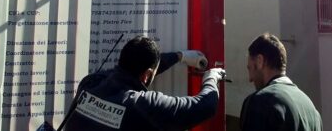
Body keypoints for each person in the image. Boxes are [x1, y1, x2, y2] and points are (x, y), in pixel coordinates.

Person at [64, 35, 225, 131]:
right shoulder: (141, 106)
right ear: (147, 75)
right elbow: (205, 106)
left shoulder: (90, 82)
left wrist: (180, 56)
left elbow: (133, 69)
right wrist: (211, 77)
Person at [240, 33, 322, 131]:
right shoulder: (312, 111)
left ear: (259, 61)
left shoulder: (260, 102)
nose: (250, 79)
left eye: (250, 68)